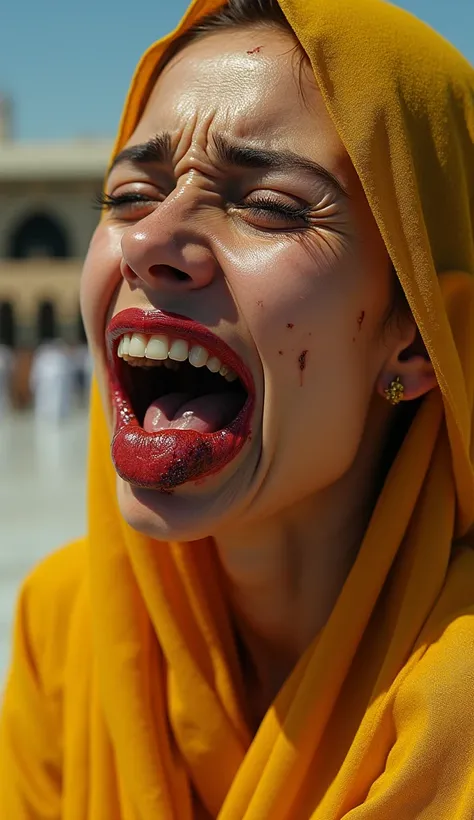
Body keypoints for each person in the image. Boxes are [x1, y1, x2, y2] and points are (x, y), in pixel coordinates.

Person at [1, 0, 474, 816]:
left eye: (270, 205)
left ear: (419, 340)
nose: (148, 240)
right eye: (127, 195)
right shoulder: (68, 632)